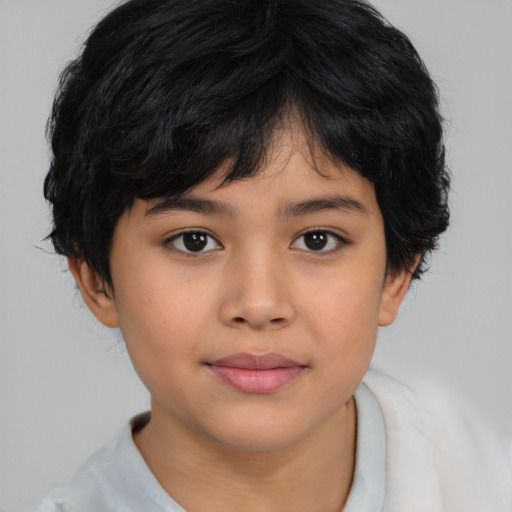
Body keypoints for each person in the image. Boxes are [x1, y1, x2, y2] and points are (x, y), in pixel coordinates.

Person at [38, 0, 511, 510]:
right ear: (95, 278)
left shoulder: (480, 476)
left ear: (396, 273)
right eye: (194, 240)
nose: (259, 303)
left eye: (317, 239)